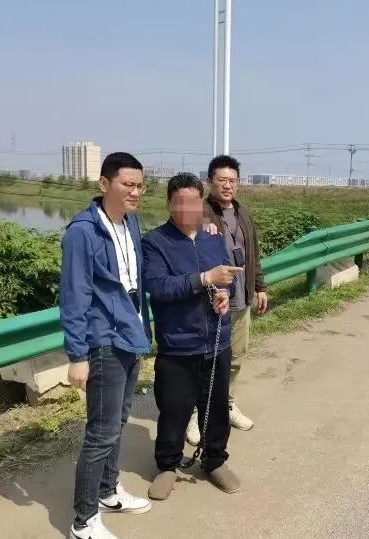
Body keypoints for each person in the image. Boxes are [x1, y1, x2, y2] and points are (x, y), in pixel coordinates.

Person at [60, 153, 152, 539]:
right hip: (103, 341)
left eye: (140, 185)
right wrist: (77, 355)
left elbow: (133, 281)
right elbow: (74, 296)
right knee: (101, 432)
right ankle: (83, 522)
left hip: (130, 333)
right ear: (104, 184)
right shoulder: (82, 232)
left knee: (118, 422)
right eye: (128, 184)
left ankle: (108, 491)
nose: (136, 192)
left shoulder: (130, 222)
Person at [143, 172, 244, 501]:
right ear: (169, 204)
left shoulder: (213, 237)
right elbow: (159, 287)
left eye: (193, 202)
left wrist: (224, 293)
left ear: (202, 203)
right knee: (174, 409)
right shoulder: (155, 242)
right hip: (178, 343)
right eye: (180, 202)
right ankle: (168, 466)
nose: (187, 209)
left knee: (216, 407)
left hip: (216, 339)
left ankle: (215, 460)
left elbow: (226, 278)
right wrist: (204, 279)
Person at [181, 155, 268, 446]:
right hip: (211, 301)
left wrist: (260, 286)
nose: (228, 185)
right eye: (222, 180)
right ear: (210, 182)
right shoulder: (199, 212)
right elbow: (186, 252)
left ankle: (228, 405)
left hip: (241, 298)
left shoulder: (243, 214)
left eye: (233, 180)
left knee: (236, 357)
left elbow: (254, 254)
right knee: (206, 360)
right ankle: (196, 413)